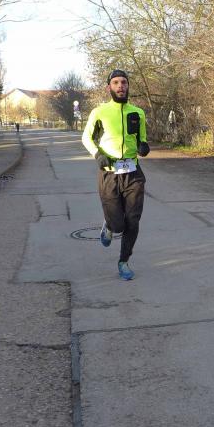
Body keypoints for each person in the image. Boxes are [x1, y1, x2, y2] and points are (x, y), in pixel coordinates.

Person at [82, 69, 150, 281]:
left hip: (133, 173)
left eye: (124, 82)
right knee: (118, 224)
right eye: (116, 82)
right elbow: (86, 138)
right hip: (109, 174)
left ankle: (124, 261)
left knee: (133, 220)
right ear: (109, 87)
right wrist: (97, 154)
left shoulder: (137, 113)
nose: (120, 86)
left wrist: (143, 146)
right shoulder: (100, 112)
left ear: (128, 86)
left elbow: (141, 138)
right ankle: (110, 226)